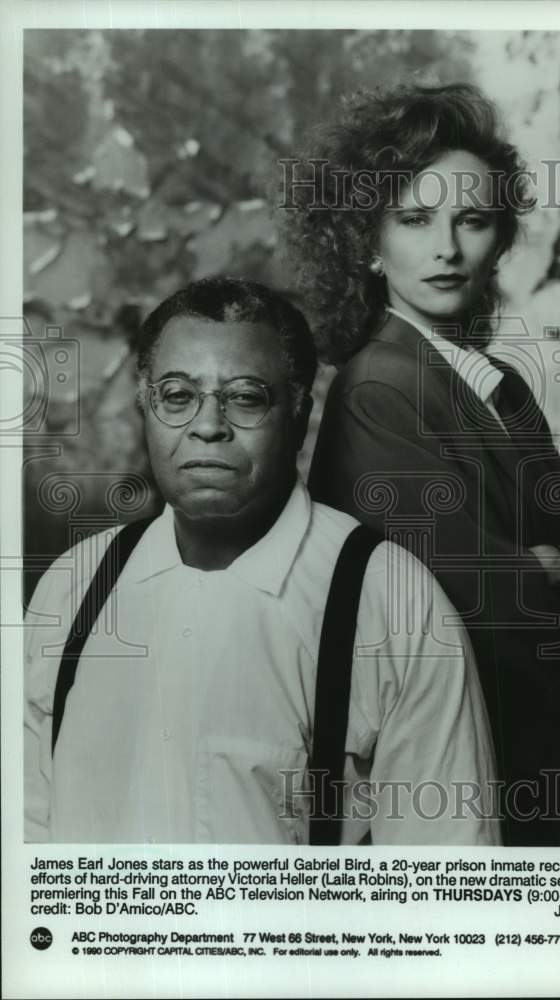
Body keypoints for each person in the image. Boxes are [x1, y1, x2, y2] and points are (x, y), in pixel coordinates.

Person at [285, 82, 560, 846]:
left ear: (500, 236)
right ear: (368, 242)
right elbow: (450, 590)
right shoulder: (376, 386)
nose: (447, 248)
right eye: (415, 220)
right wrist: (550, 565)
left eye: (472, 220)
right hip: (445, 762)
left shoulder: (495, 382)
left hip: (527, 736)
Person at [24, 276, 500, 846]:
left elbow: (445, 884)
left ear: (299, 416)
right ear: (145, 409)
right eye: (177, 395)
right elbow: (23, 844)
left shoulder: (392, 601)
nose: (207, 425)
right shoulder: (73, 587)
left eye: (246, 396)